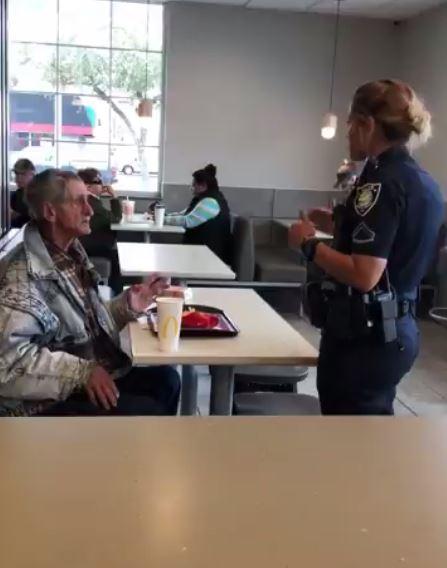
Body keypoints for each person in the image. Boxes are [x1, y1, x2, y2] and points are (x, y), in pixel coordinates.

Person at [289, 79, 444, 416]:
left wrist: (308, 242)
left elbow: (365, 275)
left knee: (348, 437)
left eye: (350, 124)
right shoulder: (423, 182)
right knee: (369, 432)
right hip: (398, 327)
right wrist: (338, 223)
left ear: (367, 124)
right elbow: (392, 242)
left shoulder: (380, 182)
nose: (347, 134)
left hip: (363, 337)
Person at [0, 169, 180, 417]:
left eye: (89, 200)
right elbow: (9, 365)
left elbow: (80, 325)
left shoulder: (70, 253)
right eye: (79, 201)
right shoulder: (20, 275)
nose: (90, 210)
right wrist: (81, 372)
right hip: (43, 401)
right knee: (147, 410)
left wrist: (125, 306)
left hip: (81, 376)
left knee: (167, 381)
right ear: (50, 211)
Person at [165, 164, 232, 263]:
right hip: (202, 250)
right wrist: (164, 215)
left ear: (203, 186)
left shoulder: (211, 202)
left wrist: (162, 220)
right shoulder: (203, 199)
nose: (192, 187)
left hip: (210, 254)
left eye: (194, 184)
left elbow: (188, 221)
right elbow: (183, 214)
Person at [77, 168, 123, 294]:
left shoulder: (90, 201)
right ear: (87, 186)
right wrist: (114, 197)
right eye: (98, 181)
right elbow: (116, 218)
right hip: (89, 245)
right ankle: (116, 293)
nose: (102, 185)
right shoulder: (92, 202)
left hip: (86, 242)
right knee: (117, 256)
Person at [10, 158, 35, 228]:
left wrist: (17, 215)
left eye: (23, 174)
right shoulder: (15, 195)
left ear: (32, 174)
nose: (18, 178)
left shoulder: (41, 194)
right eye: (17, 174)